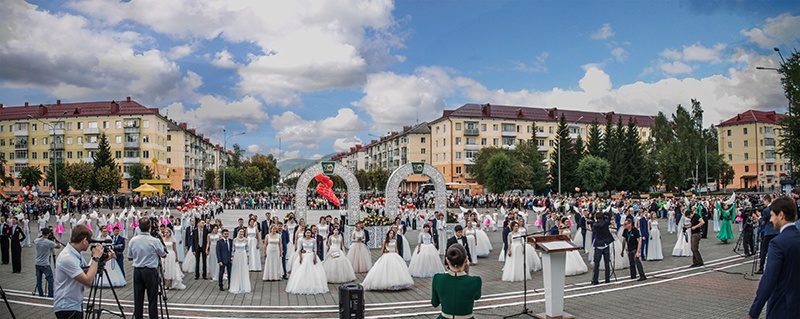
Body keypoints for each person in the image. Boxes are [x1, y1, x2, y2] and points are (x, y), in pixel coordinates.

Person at [748, 196, 800, 319]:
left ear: (781, 215)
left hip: (784, 307)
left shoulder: (778, 243)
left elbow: (769, 279)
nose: (771, 220)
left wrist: (754, 312)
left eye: (772, 215)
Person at [54, 225, 109, 319]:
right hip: (67, 307)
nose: (89, 244)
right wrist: (95, 258)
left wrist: (102, 259)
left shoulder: (76, 253)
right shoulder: (67, 258)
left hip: (75, 304)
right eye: (89, 241)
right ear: (84, 240)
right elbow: (88, 280)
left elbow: (86, 270)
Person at [127, 217, 168, 319]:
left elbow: (129, 257)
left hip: (137, 270)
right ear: (150, 227)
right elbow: (163, 254)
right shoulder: (154, 240)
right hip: (150, 270)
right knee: (152, 298)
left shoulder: (133, 240)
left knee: (138, 298)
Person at [431, 244, 481, 319]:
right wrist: (466, 274)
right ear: (466, 259)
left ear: (447, 260)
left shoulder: (438, 279)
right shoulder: (475, 281)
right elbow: (476, 297)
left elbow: (435, 303)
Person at [286, 228, 329, 294]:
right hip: (304, 256)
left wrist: (315, 257)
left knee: (314, 271)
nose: (308, 234)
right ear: (305, 233)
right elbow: (299, 249)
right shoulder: (301, 240)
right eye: (307, 233)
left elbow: (315, 249)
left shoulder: (313, 240)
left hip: (311, 255)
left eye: (309, 233)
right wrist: (300, 257)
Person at [35, 227, 61, 297]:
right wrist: (55, 237)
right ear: (48, 234)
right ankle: (50, 294)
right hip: (45, 264)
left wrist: (41, 235)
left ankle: (41, 294)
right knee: (50, 279)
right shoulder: (49, 242)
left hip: (37, 263)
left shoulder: (37, 241)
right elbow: (58, 246)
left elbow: (35, 239)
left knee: (39, 280)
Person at [590, 211, 614, 285]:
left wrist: (593, 217)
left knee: (596, 263)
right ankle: (607, 279)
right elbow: (610, 214)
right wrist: (605, 213)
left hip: (598, 244)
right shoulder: (605, 223)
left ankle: (595, 279)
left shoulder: (595, 225)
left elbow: (592, 228)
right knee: (607, 263)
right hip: (606, 243)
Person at [756, 195, 776, 274]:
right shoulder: (775, 208)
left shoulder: (766, 210)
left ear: (766, 200)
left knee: (764, 250)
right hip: (776, 231)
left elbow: (763, 222)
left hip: (768, 232)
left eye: (764, 201)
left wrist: (759, 217)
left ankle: (761, 268)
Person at [228, 229, 251, 294]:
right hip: (237, 255)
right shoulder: (235, 240)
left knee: (243, 269)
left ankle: (244, 285)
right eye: (240, 232)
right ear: (238, 232)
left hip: (243, 255)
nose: (241, 233)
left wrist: (248, 258)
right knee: (236, 270)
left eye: (242, 232)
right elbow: (233, 249)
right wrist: (232, 257)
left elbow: (247, 249)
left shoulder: (246, 240)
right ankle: (235, 285)